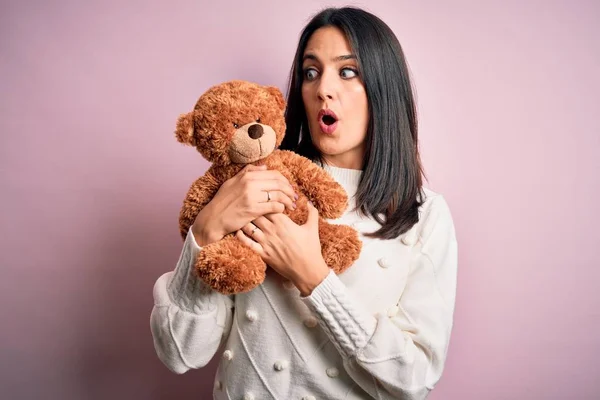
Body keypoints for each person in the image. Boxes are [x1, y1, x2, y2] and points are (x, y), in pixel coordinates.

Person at [150, 6, 458, 400]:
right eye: (310, 72)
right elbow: (179, 353)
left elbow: (414, 379)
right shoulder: (256, 186)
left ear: (384, 87)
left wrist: (313, 275)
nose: (322, 88)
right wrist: (206, 229)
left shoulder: (425, 216)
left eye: (348, 71)